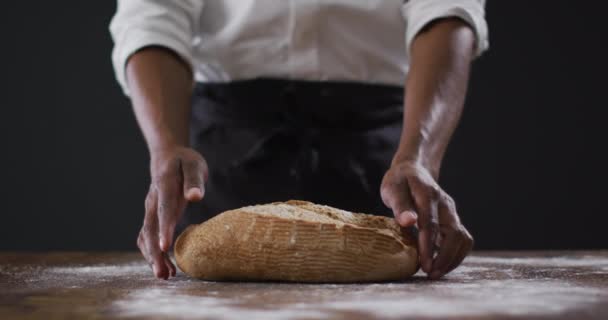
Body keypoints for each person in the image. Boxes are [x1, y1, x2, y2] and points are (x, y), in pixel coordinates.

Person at [110, 0, 488, 280]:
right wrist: (166, 146)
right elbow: (153, 16)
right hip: (230, 143)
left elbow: (445, 10)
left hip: (382, 148)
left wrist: (419, 155)